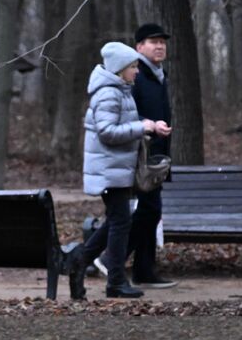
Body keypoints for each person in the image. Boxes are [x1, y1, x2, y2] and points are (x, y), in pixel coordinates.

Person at [69, 42, 172, 299]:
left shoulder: (121, 91)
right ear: (120, 69)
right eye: (133, 67)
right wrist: (142, 128)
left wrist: (149, 125)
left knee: (118, 220)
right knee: (120, 221)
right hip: (109, 170)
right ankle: (113, 280)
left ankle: (79, 262)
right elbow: (107, 132)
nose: (137, 71)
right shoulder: (108, 93)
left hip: (116, 170)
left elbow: (121, 125)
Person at [129, 22, 177, 289]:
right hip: (138, 156)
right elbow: (124, 113)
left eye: (162, 42)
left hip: (156, 157)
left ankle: (144, 270)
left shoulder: (159, 75)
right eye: (152, 41)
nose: (159, 46)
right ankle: (102, 255)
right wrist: (149, 124)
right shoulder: (135, 74)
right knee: (149, 210)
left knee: (151, 211)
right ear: (139, 47)